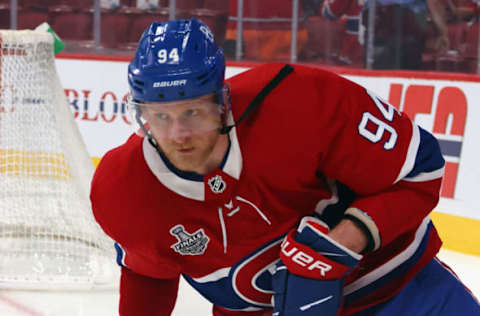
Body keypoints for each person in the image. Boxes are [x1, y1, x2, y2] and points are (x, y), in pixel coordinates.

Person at [90, 18, 480, 315]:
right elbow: (147, 275)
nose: (177, 134)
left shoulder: (299, 102)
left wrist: (350, 237)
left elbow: (421, 170)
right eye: (158, 117)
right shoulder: (124, 188)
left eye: (192, 111)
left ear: (222, 102)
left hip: (400, 291)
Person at [362, 0, 450, 69]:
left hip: (376, 19)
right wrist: (443, 33)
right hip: (405, 23)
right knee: (406, 75)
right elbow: (434, 3)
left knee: (378, 76)